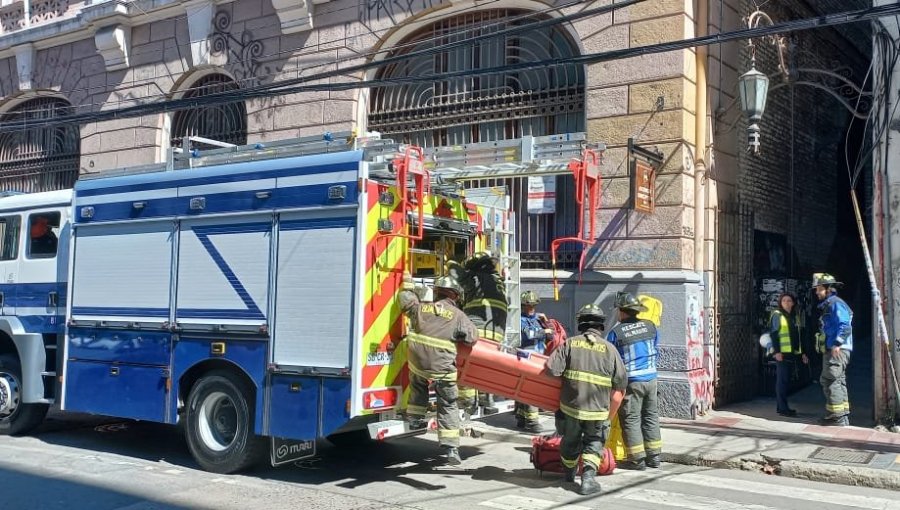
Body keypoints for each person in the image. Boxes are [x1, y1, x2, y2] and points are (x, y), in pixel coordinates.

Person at [546, 303, 627, 495]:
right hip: (598, 411)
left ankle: (568, 472)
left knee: (570, 441)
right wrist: (609, 416)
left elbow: (551, 370)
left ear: (581, 323)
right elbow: (621, 384)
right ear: (601, 325)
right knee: (594, 443)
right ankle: (588, 479)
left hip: (571, 409)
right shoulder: (610, 350)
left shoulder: (570, 344)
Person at [400, 273, 478, 465]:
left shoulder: (421, 307)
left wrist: (407, 284)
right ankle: (451, 448)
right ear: (455, 296)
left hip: (417, 364)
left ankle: (415, 419)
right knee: (448, 403)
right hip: (442, 368)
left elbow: (405, 301)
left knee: (418, 385)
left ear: (436, 292)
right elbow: (472, 338)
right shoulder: (458, 316)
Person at [606, 292, 662, 470]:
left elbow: (611, 359)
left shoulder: (616, 332)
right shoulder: (650, 326)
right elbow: (655, 347)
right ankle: (654, 457)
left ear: (622, 312)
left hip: (632, 381)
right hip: (652, 378)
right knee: (651, 416)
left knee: (631, 418)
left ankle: (637, 460)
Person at [812, 273, 853, 427]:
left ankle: (837, 418)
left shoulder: (835, 303)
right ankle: (840, 416)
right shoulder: (831, 303)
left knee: (829, 380)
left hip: (837, 349)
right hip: (837, 349)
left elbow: (845, 325)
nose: (817, 292)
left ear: (828, 289)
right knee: (837, 380)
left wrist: (837, 344)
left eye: (819, 289)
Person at [515, 290, 556, 432]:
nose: (531, 308)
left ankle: (521, 417)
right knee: (531, 389)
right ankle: (532, 421)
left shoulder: (538, 320)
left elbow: (552, 337)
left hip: (538, 358)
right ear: (523, 306)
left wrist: (546, 322)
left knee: (524, 388)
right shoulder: (519, 319)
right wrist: (544, 332)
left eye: (533, 305)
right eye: (528, 305)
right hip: (526, 357)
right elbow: (528, 335)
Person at [768, 292, 809, 417]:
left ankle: (782, 407)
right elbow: (774, 334)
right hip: (782, 354)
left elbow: (799, 337)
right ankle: (782, 408)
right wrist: (777, 352)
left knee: (786, 381)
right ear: (780, 303)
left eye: (789, 300)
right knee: (782, 381)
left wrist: (803, 353)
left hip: (792, 354)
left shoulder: (794, 317)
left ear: (793, 303)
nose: (786, 302)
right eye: (784, 300)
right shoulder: (777, 315)